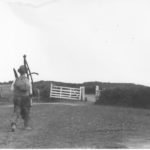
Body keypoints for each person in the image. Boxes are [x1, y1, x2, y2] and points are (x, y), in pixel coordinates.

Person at [10, 65, 32, 131]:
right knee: (26, 112)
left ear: (19, 72)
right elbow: (30, 91)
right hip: (25, 98)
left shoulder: (16, 79)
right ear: (25, 72)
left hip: (17, 98)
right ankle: (26, 126)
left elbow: (11, 89)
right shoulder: (27, 80)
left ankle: (13, 124)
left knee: (16, 111)